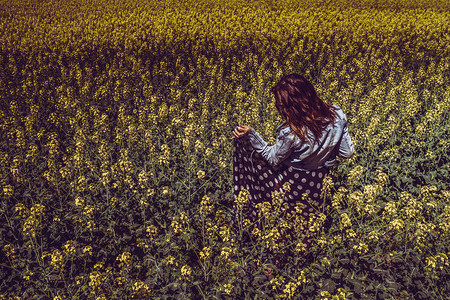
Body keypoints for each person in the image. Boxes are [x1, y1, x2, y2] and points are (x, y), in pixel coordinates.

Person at [230, 73, 354, 258]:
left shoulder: (291, 133)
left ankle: (280, 256)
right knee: (308, 216)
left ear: (290, 106)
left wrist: (252, 135)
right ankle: (305, 254)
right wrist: (324, 157)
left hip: (291, 182)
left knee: (283, 215)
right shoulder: (337, 115)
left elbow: (272, 159)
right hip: (318, 180)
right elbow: (347, 153)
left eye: (281, 106)